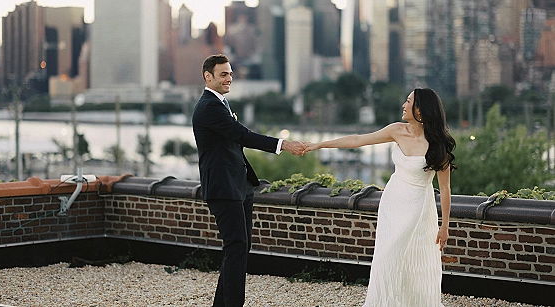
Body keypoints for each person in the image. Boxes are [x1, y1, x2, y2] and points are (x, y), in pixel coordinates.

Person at [303, 88, 456, 307]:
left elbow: (446, 189)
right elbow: (358, 139)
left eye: (408, 101)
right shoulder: (396, 130)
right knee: (385, 258)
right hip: (393, 202)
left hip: (418, 208)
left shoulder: (438, 146)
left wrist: (445, 226)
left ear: (420, 109)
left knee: (403, 258)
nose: (404, 105)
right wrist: (320, 145)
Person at [192, 54, 305, 307]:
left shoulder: (219, 104)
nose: (229, 78)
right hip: (223, 187)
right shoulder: (209, 106)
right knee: (236, 246)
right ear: (207, 77)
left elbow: (234, 140)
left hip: (238, 185)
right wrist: (283, 144)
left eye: (230, 73)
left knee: (239, 248)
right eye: (223, 74)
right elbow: (242, 135)